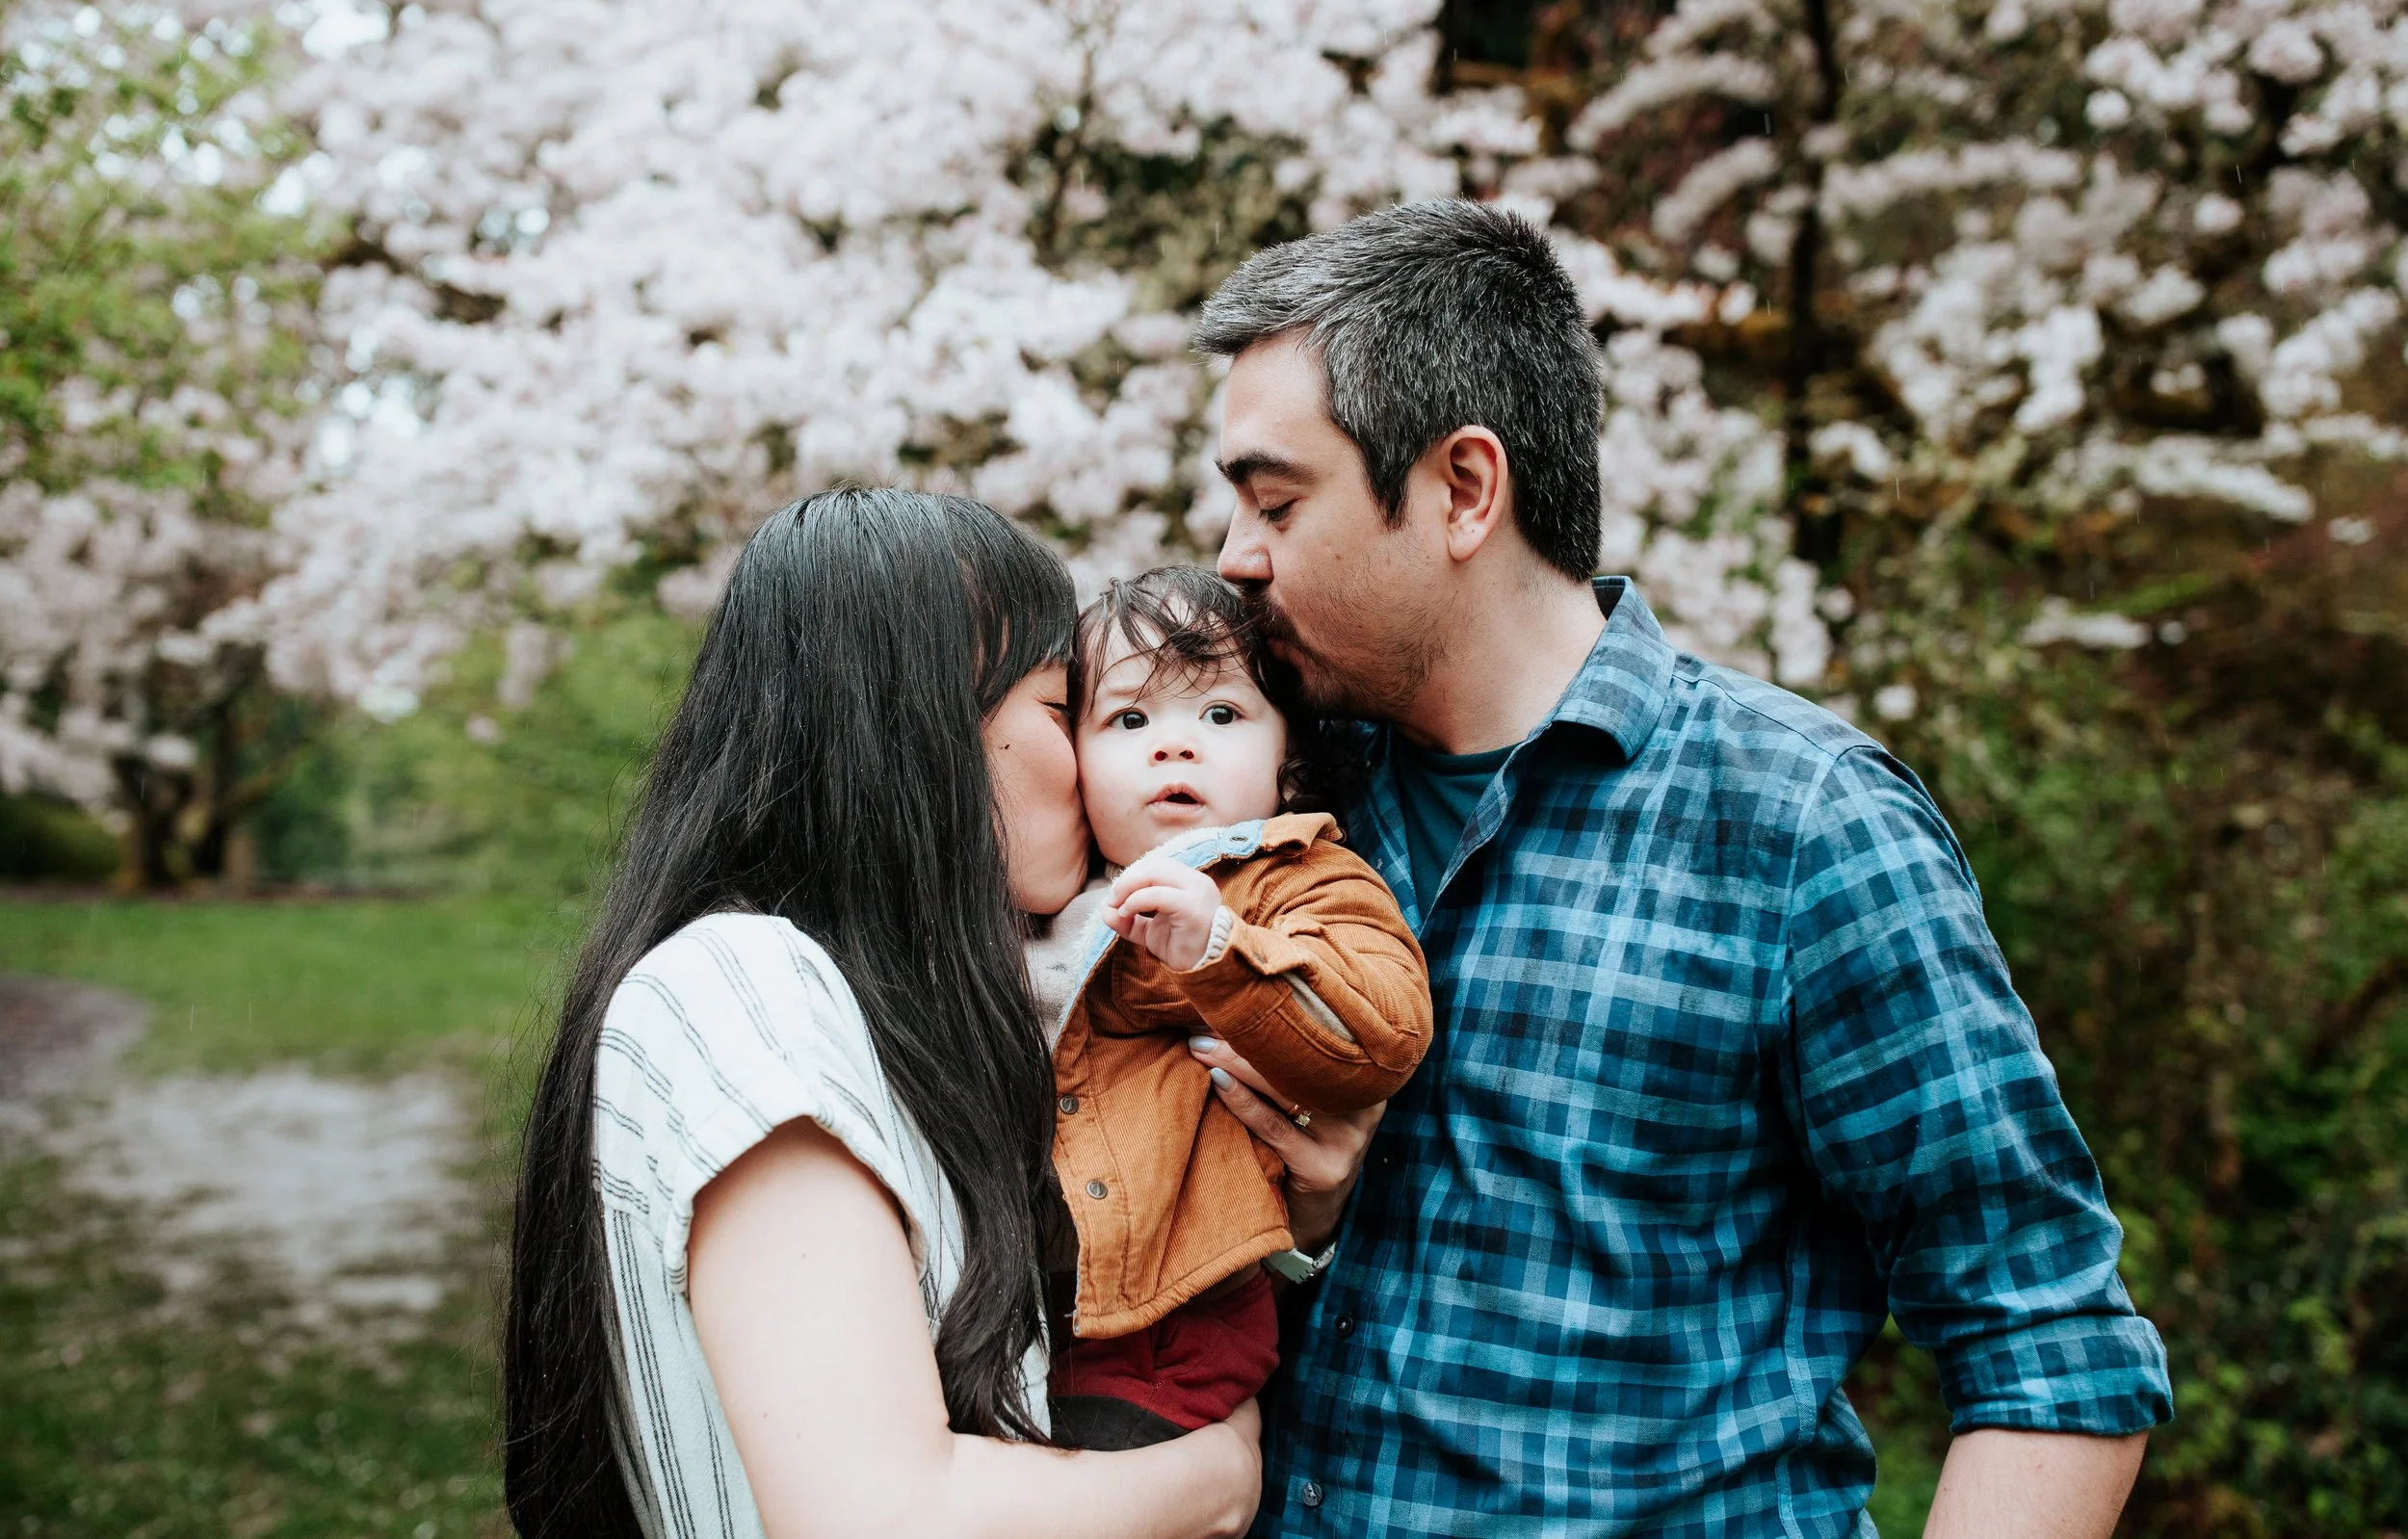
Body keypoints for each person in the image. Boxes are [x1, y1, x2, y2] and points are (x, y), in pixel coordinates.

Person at [1188, 200, 2176, 1537]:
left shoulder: (1801, 823)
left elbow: (2049, 1342)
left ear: (1465, 490)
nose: (1235, 554)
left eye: (1275, 501)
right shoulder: (1263, 796)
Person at [502, 490, 1270, 1539]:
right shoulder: (746, 987)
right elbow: (877, 1513)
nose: (1104, 762)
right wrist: (1213, 1483)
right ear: (922, 727)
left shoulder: (908, 1013)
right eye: (1065, 708)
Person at [1034, 567, 1432, 1451]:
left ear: (1288, 766)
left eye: (1220, 714)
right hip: (1020, 1315)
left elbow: (1381, 1033)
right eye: (1129, 720)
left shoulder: (1299, 877)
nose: (1174, 747)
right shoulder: (1047, 891)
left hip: (1171, 1335)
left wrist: (1221, 949)